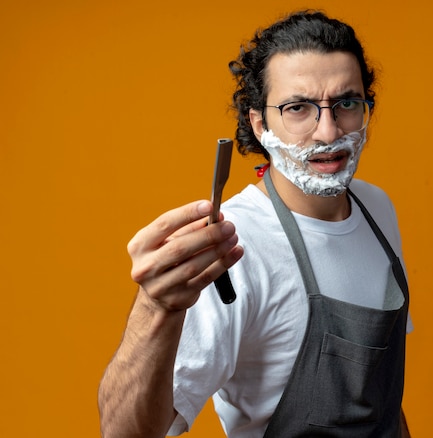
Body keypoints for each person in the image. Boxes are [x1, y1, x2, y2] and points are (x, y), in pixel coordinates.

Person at [98, 10, 412, 438]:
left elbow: (382, 399)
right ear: (260, 123)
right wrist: (156, 308)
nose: (327, 131)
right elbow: (126, 433)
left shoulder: (377, 209)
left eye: (346, 103)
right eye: (298, 108)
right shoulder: (230, 246)